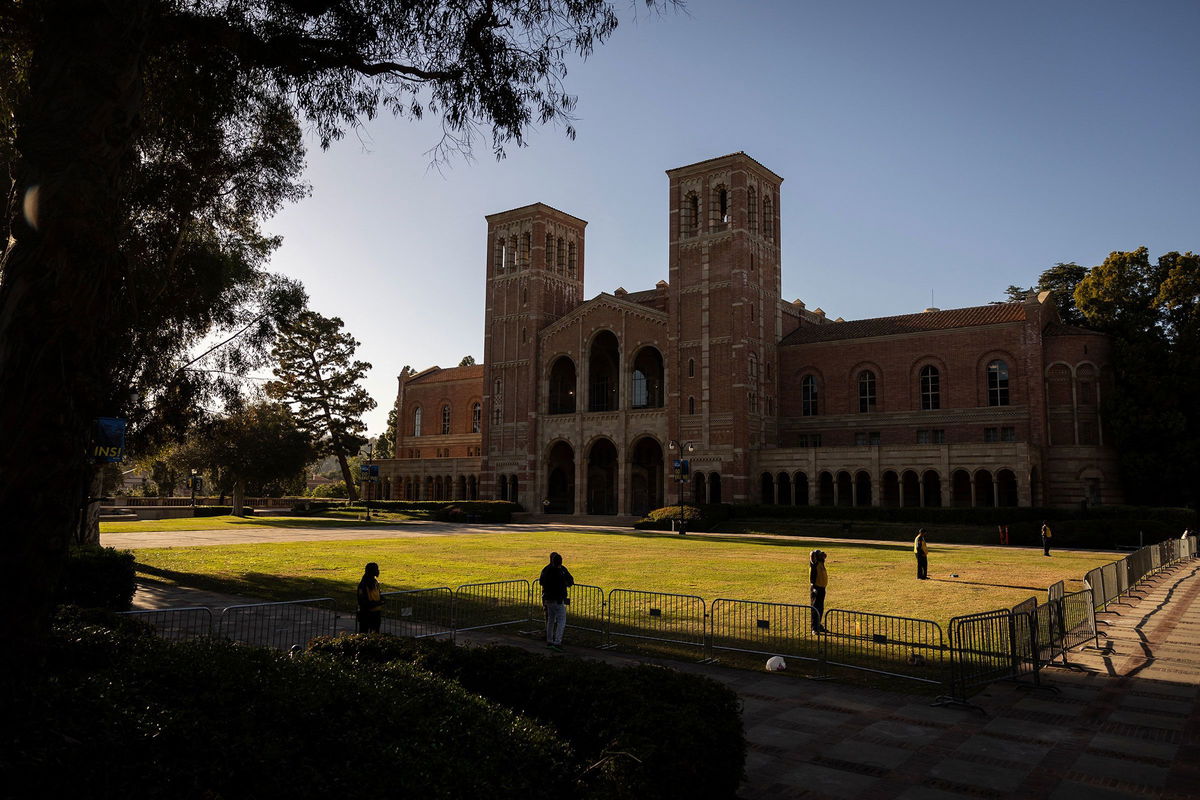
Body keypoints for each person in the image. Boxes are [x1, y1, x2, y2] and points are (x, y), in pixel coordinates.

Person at [538, 551, 574, 651]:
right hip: (558, 600)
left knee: (550, 620)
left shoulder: (547, 570)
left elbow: (541, 581)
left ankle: (549, 641)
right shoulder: (560, 572)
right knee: (561, 621)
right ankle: (557, 642)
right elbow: (569, 581)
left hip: (548, 599)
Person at [356, 562, 384, 633]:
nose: (378, 571)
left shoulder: (375, 582)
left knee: (375, 634)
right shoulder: (363, 584)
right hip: (366, 614)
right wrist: (377, 603)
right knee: (364, 633)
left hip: (376, 613)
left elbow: (378, 594)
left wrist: (382, 598)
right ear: (371, 571)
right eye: (376, 569)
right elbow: (362, 601)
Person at [809, 549, 828, 633]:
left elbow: (825, 555)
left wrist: (822, 554)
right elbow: (811, 554)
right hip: (816, 588)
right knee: (815, 608)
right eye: (819, 555)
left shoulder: (821, 563)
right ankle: (814, 628)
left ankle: (818, 624)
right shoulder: (814, 563)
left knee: (820, 608)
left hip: (822, 588)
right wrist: (815, 553)